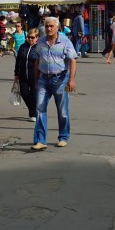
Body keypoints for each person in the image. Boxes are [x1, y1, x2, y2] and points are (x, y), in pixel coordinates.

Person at [31, 16, 77, 151]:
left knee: (62, 111)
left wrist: (72, 80)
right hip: (43, 79)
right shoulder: (40, 42)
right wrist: (36, 80)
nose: (49, 28)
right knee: (39, 109)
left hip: (60, 79)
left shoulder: (65, 42)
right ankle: (40, 140)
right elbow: (37, 61)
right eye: (47, 26)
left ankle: (63, 137)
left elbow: (73, 60)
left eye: (51, 26)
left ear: (57, 28)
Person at [14, 29, 40, 122]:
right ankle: (34, 110)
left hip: (35, 76)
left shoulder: (39, 48)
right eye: (28, 37)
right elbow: (18, 61)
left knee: (33, 95)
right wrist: (16, 74)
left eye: (32, 37)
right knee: (24, 93)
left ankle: (33, 113)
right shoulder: (23, 47)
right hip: (23, 75)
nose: (30, 39)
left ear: (37, 38)